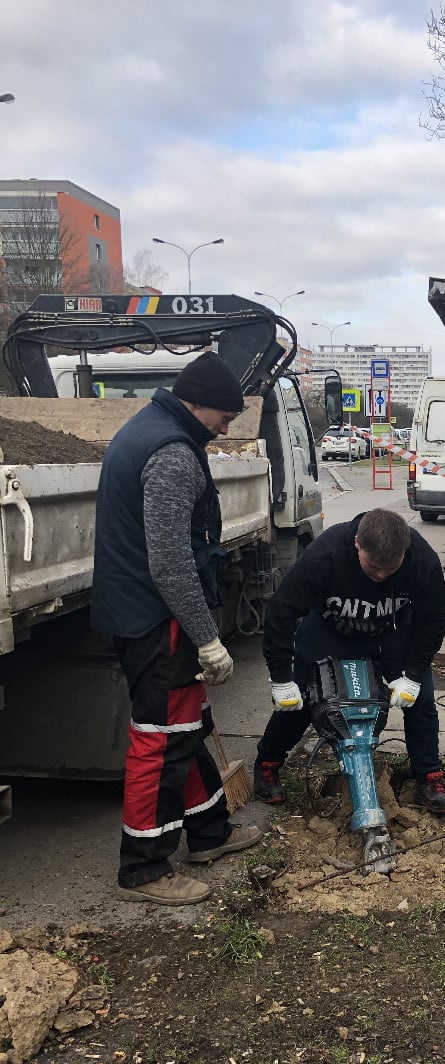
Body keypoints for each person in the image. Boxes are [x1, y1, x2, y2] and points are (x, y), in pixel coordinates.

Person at [92, 351, 261, 906]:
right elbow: (169, 560)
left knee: (185, 727)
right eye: (224, 416)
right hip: (156, 619)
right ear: (196, 403)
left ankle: (209, 833)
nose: (227, 428)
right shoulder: (170, 454)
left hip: (145, 612)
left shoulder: (152, 431)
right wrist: (205, 635)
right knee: (160, 741)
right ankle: (143, 869)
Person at [254, 508, 445, 814]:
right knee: (300, 697)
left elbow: (433, 621)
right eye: (373, 567)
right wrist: (281, 678)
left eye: (390, 570)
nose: (381, 576)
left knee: (422, 700)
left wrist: (413, 675)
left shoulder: (422, 561)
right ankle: (268, 762)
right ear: (357, 544)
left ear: (404, 552)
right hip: (330, 628)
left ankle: (429, 777)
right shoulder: (324, 555)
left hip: (390, 631)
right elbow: (280, 614)